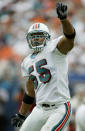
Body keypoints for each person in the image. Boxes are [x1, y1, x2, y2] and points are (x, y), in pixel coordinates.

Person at [11, 2, 76, 131]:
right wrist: (21, 114)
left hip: (59, 107)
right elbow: (30, 92)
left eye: (39, 36)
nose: (35, 39)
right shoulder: (27, 61)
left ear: (46, 38)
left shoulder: (54, 49)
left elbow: (70, 38)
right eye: (33, 37)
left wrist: (64, 20)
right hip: (40, 108)